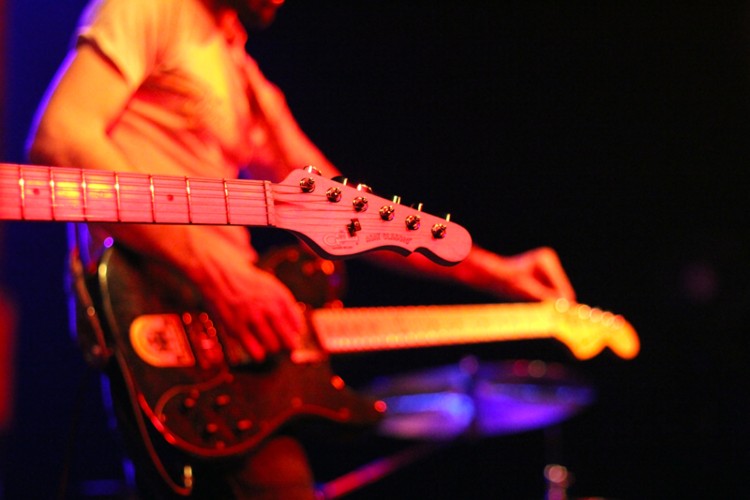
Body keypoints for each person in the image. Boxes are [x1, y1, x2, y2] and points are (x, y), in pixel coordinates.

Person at [27, 0, 576, 497]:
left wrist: (498, 273)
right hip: (162, 321)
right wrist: (218, 272)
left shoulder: (242, 75)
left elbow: (350, 216)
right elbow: (62, 138)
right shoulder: (152, 9)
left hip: (234, 350)